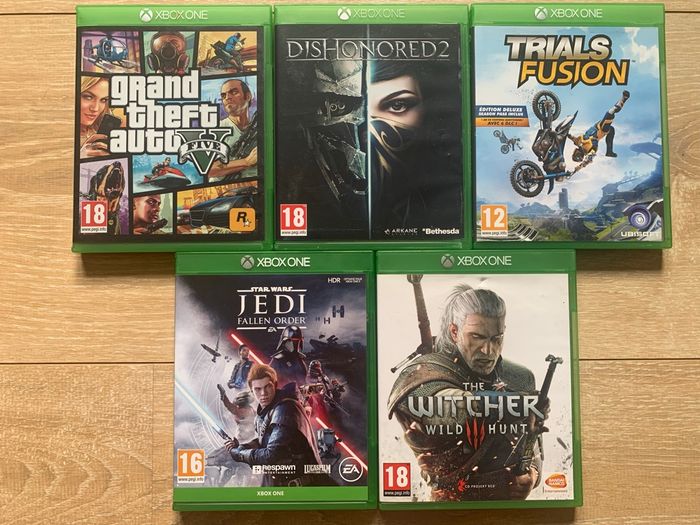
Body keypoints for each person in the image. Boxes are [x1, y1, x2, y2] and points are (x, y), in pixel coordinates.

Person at [388, 284, 547, 501]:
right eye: (477, 337)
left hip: (508, 505)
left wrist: (532, 475)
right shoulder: (423, 373)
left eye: (496, 338)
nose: (488, 351)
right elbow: (445, 409)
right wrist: (515, 403)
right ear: (454, 332)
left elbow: (532, 439)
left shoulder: (519, 378)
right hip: (448, 504)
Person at [224, 364, 324, 486]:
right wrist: (242, 447)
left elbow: (272, 455)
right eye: (258, 389)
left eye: (268, 387)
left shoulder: (285, 408)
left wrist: (240, 454)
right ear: (251, 390)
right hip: (276, 481)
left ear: (275, 385)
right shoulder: (266, 410)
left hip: (300, 485)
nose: (263, 393)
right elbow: (264, 442)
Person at [568, 90, 630, 175]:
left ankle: (609, 152)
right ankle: (624, 99)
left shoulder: (579, 143)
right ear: (579, 156)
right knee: (611, 112)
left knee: (611, 129)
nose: (575, 152)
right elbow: (588, 160)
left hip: (600, 126)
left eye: (574, 154)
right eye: (576, 155)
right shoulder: (591, 149)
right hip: (602, 129)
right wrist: (578, 168)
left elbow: (572, 138)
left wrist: (566, 134)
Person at [208, 78, 258, 181]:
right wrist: (246, 162)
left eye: (234, 92)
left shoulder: (258, 128)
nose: (227, 98)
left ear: (248, 96)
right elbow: (208, 169)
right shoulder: (217, 129)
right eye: (223, 96)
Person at [79, 76, 113, 159]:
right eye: (88, 97)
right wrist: (82, 155)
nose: (95, 108)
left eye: (103, 100)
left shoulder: (101, 132)